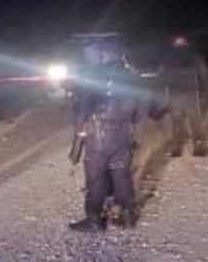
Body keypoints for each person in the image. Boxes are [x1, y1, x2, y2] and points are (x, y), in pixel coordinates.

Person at [67, 34, 159, 232]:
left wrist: (79, 133)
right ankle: (128, 215)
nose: (89, 56)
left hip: (99, 133)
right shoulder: (133, 75)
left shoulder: (94, 76)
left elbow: (83, 107)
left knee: (96, 178)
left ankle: (94, 220)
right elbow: (146, 106)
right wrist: (134, 129)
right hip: (125, 133)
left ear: (103, 53)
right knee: (121, 174)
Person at [157, 35, 208, 157]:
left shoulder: (167, 58)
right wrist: (206, 91)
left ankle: (177, 148)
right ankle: (199, 147)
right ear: (186, 43)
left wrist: (162, 94)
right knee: (195, 121)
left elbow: (161, 78)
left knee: (177, 121)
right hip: (191, 93)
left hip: (176, 95)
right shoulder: (194, 56)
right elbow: (204, 74)